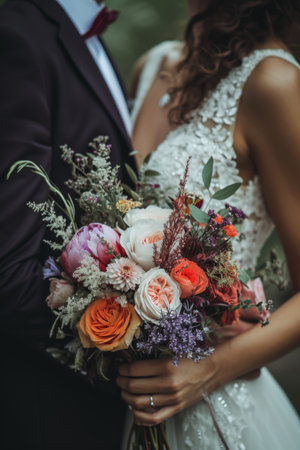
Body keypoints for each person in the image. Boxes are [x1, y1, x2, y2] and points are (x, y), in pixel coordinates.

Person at [117, 0, 300, 448]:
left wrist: (204, 371)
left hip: (215, 403)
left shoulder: (272, 82)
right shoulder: (153, 66)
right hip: (126, 402)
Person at [0, 1, 135, 449]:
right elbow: (12, 279)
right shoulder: (16, 38)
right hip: (51, 412)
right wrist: (162, 331)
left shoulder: (89, 42)